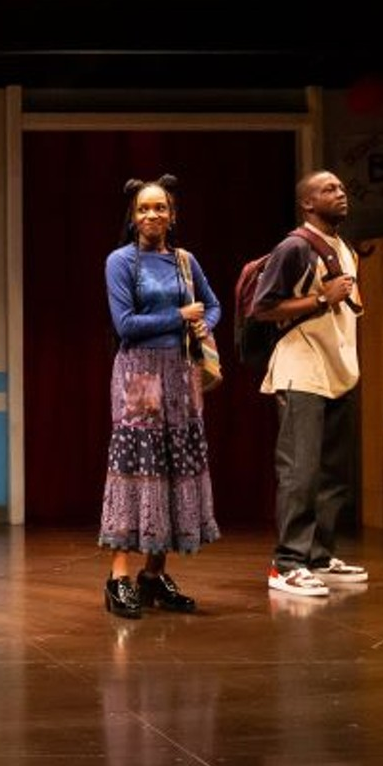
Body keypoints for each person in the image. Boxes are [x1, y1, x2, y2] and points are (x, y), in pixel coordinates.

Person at [98, 175, 221, 619]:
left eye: (160, 207)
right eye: (144, 208)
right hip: (140, 374)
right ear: (133, 217)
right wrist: (180, 316)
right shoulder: (121, 261)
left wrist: (204, 323)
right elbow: (125, 325)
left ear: (172, 215)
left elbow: (213, 305)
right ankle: (118, 579)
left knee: (172, 462)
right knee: (137, 465)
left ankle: (154, 575)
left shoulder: (185, 261)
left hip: (181, 373)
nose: (152, 215)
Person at [254, 170, 367, 597]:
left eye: (341, 187)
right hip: (301, 369)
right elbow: (263, 308)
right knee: (300, 471)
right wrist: (321, 297)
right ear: (307, 203)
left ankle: (319, 555)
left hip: (338, 369)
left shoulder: (346, 248)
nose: (340, 193)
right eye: (328, 189)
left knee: (334, 472)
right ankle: (287, 564)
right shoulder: (295, 247)